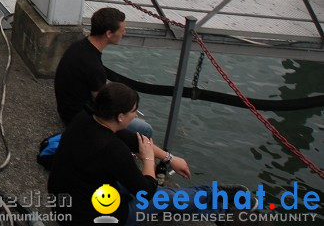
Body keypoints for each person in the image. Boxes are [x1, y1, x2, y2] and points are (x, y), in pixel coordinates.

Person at [48, 82, 232, 226]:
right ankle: (216, 198)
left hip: (65, 204)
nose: (135, 115)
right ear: (120, 116)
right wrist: (149, 160)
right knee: (162, 197)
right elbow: (146, 191)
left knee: (152, 189)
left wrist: (170, 158)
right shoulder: (112, 149)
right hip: (90, 218)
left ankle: (210, 200)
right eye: (133, 111)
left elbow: (133, 140)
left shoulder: (87, 118)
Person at [54, 7, 154, 138]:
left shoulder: (79, 46)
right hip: (78, 120)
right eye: (122, 29)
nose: (124, 32)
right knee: (145, 129)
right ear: (109, 33)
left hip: (66, 109)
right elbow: (105, 105)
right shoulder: (94, 66)